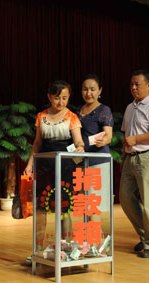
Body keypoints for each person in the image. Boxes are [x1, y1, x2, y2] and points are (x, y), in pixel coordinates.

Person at [24, 80, 84, 252]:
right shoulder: (41, 116)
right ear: (49, 96)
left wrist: (79, 147)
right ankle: (38, 249)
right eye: (57, 98)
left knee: (64, 209)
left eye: (65, 98)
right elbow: (37, 143)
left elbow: (78, 141)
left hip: (65, 166)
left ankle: (68, 249)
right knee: (41, 208)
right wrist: (30, 164)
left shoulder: (72, 117)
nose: (61, 102)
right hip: (45, 166)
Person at [119, 70, 149, 258]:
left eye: (137, 84)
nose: (133, 88)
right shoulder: (130, 107)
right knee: (125, 198)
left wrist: (136, 139)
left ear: (148, 85)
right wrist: (125, 153)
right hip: (130, 158)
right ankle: (147, 234)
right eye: (131, 84)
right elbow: (126, 135)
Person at [76, 74, 114, 218]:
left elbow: (108, 136)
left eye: (92, 89)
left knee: (93, 206)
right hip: (80, 161)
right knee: (83, 204)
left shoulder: (104, 110)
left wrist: (103, 140)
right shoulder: (78, 110)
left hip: (97, 162)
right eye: (85, 89)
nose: (88, 93)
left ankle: (94, 240)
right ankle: (87, 239)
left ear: (100, 91)